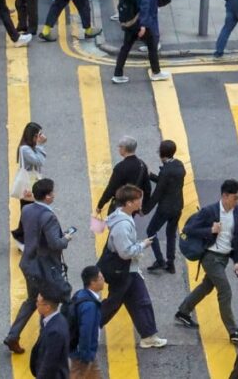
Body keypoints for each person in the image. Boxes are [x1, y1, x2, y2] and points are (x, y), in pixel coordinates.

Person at [4, 178, 74, 354]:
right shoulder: (49, 217)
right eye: (52, 192)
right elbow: (55, 244)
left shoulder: (27, 209)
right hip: (44, 267)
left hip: (28, 263)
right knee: (58, 298)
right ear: (48, 196)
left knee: (32, 300)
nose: (54, 195)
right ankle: (54, 339)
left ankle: (13, 336)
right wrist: (66, 238)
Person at [174, 179, 238, 344]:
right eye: (235, 198)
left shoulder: (237, 211)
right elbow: (188, 229)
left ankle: (183, 311)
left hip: (224, 257)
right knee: (225, 291)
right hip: (211, 257)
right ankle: (233, 331)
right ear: (225, 196)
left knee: (207, 286)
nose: (237, 201)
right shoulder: (209, 211)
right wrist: (210, 230)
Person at [99, 185, 168, 348]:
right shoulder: (122, 225)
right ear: (129, 203)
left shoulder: (119, 214)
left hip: (127, 269)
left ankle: (148, 335)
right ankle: (83, 327)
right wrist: (143, 245)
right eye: (138, 199)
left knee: (140, 300)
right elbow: (125, 252)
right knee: (113, 304)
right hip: (122, 270)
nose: (141, 202)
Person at [112, 0, 169, 84]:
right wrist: (143, 25)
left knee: (125, 47)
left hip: (130, 21)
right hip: (141, 23)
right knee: (152, 46)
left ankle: (117, 73)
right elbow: (145, 7)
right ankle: (156, 72)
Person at [144, 140, 186, 274]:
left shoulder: (166, 171)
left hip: (165, 208)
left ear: (161, 153)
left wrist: (145, 210)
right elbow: (167, 183)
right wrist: (151, 175)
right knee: (171, 234)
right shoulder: (179, 165)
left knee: (151, 230)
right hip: (178, 206)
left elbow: (158, 193)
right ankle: (170, 263)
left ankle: (160, 260)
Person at [11, 122, 47, 250]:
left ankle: (25, 236)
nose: (41, 137)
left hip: (31, 183)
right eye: (38, 135)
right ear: (32, 135)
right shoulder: (25, 149)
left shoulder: (31, 147)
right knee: (28, 212)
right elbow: (39, 161)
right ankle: (21, 237)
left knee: (29, 211)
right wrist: (41, 145)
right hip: (28, 185)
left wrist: (39, 145)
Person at [96, 136, 151, 213]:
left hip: (120, 205)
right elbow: (147, 188)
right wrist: (143, 206)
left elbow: (111, 189)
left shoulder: (120, 167)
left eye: (120, 147)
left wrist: (100, 205)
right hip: (133, 205)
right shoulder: (142, 165)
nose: (119, 149)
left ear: (124, 148)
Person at [69, 266, 104, 378]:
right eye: (101, 278)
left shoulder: (80, 294)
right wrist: (85, 356)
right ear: (93, 282)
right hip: (83, 353)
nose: (103, 280)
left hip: (86, 351)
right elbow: (85, 331)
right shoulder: (89, 306)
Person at [29, 293, 69, 379]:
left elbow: (49, 362)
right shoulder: (57, 320)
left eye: (38, 303)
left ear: (47, 307)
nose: (36, 305)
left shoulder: (55, 332)